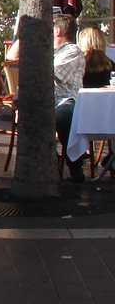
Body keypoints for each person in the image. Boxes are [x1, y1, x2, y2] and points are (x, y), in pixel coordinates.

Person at [51, 13, 86, 183]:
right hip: (48, 101)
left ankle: (74, 165)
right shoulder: (50, 51)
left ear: (57, 31)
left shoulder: (73, 51)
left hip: (66, 100)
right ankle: (52, 158)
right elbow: (11, 57)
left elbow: (57, 74)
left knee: (64, 116)